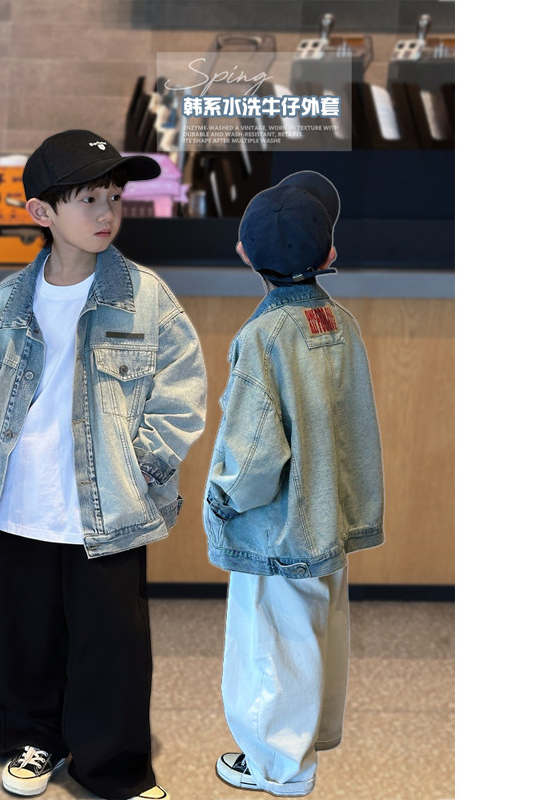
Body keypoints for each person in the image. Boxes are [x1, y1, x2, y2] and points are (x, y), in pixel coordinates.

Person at [0, 129, 207, 800]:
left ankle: (112, 767)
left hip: (107, 503)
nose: (106, 212)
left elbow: (181, 393)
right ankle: (32, 740)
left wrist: (141, 467)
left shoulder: (146, 296)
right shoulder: (7, 302)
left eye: (114, 196)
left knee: (110, 644)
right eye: (88, 198)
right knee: (23, 636)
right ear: (42, 212)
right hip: (21, 501)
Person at [202, 171, 385, 796]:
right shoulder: (340, 323)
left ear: (243, 253)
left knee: (272, 645)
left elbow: (254, 450)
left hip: (279, 526)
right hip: (330, 513)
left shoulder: (262, 337)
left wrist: (223, 500)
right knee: (318, 634)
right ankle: (307, 741)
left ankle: (279, 767)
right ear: (329, 255)